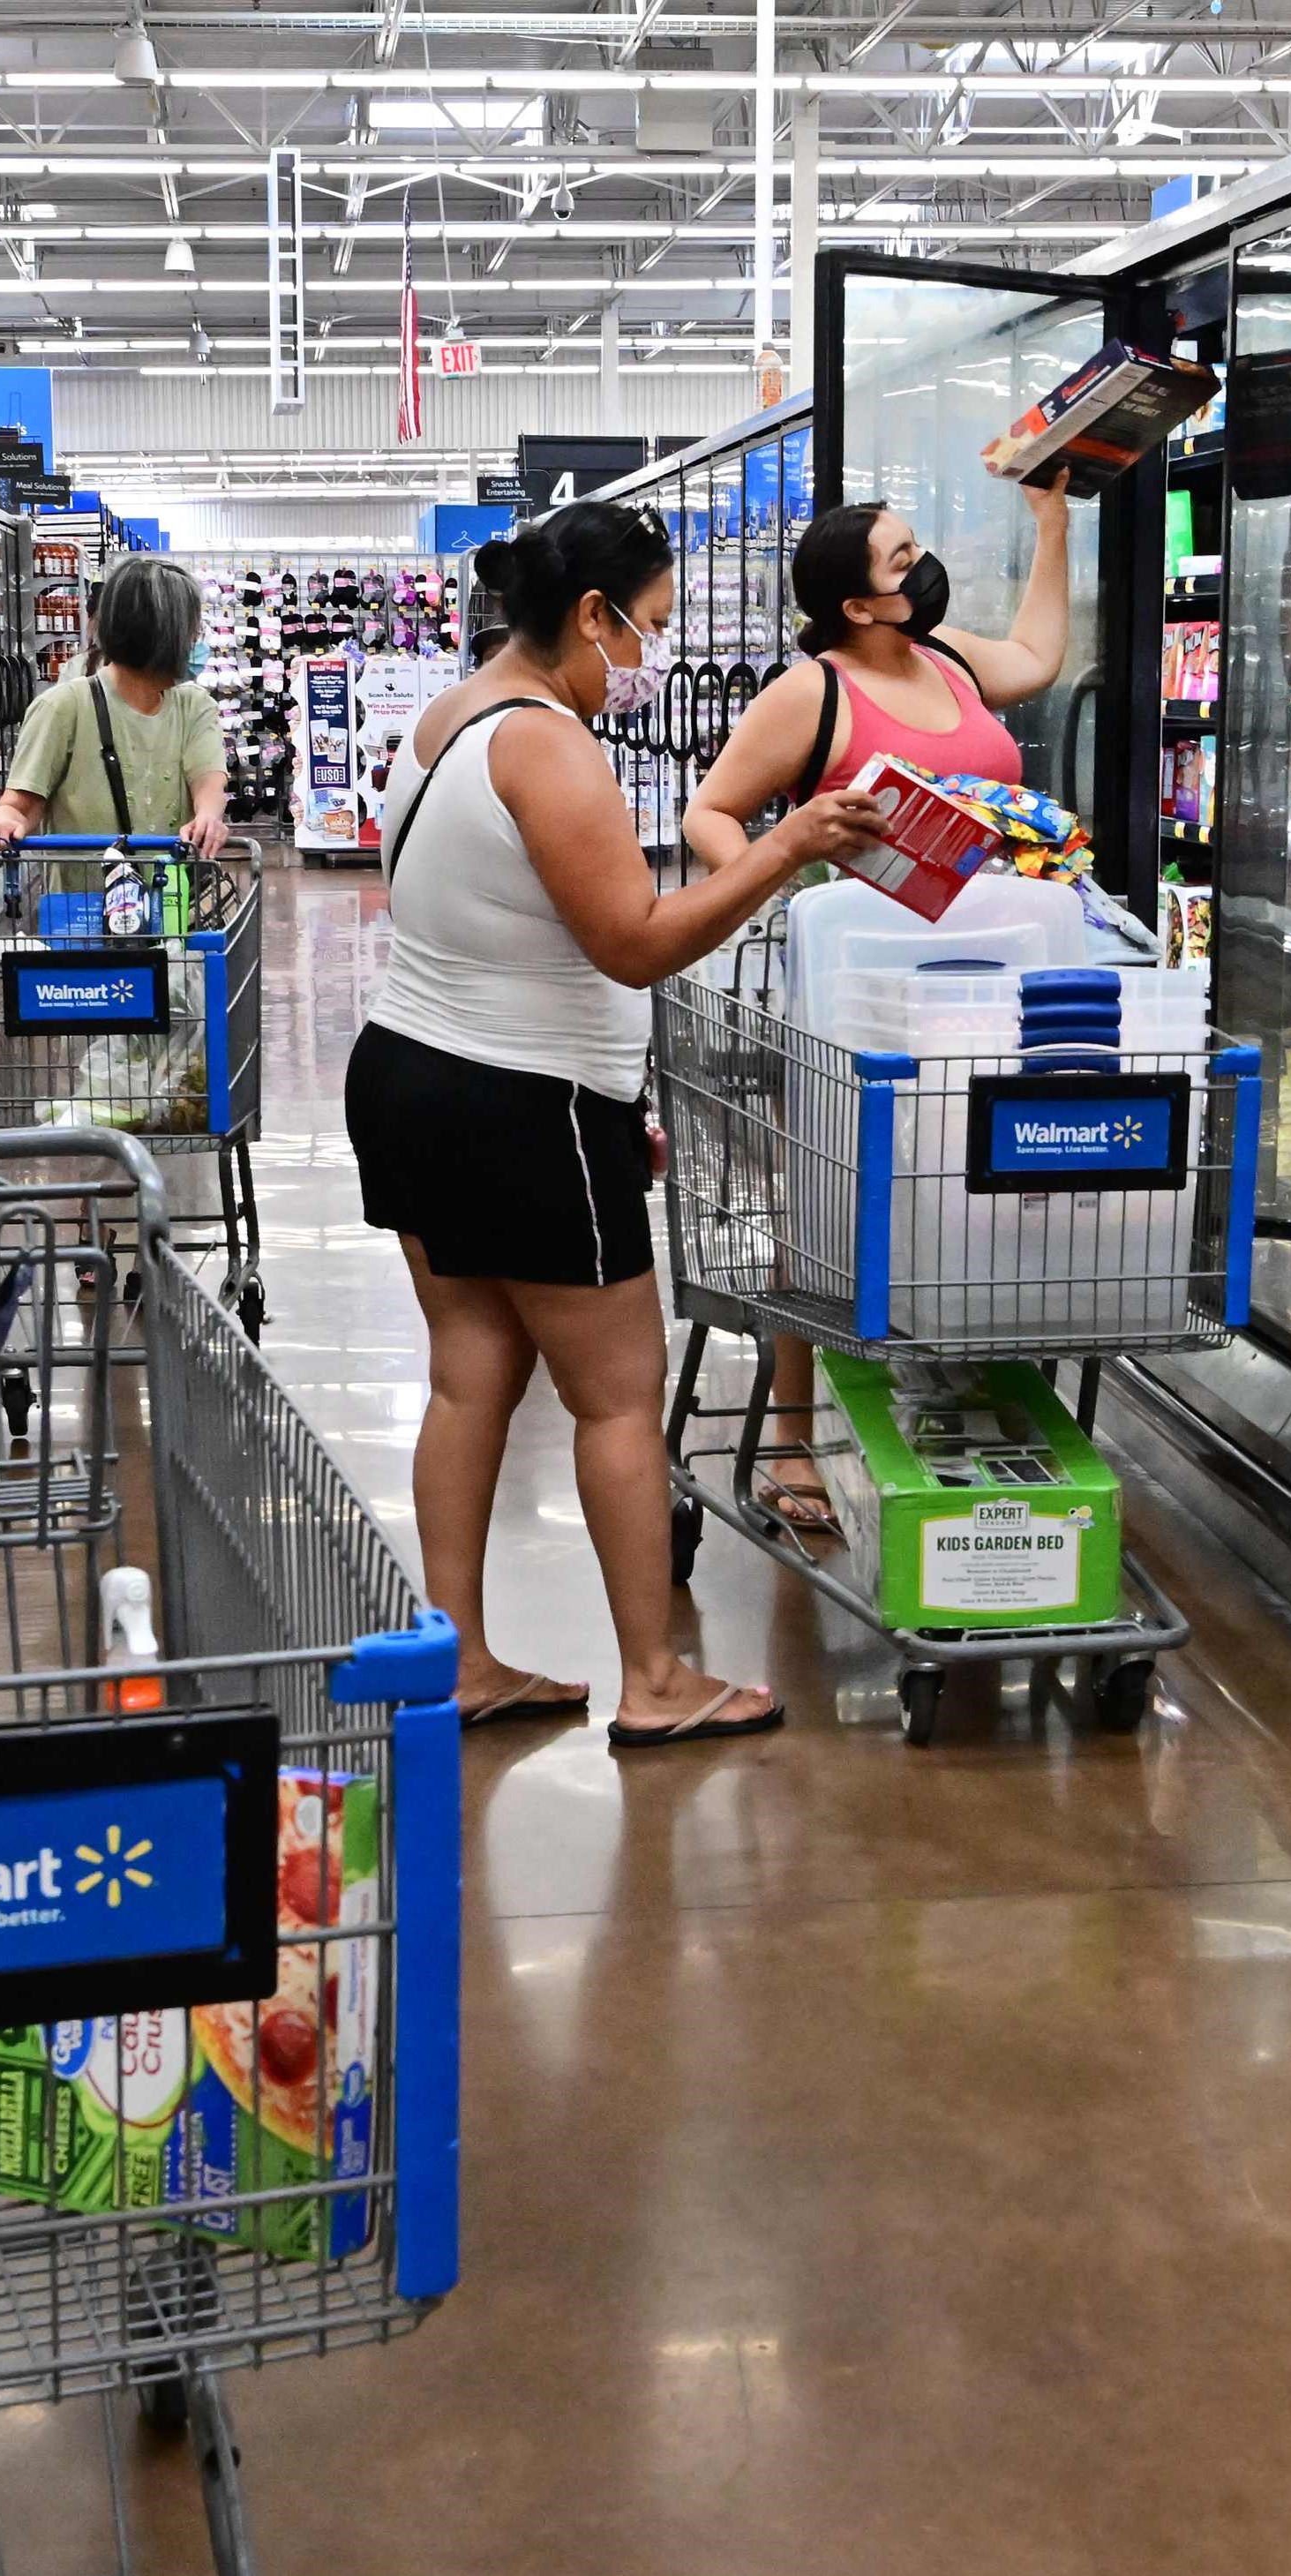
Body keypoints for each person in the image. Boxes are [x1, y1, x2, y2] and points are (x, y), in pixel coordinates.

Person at [346, 500, 887, 1746]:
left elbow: (500, 929)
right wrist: (786, 844)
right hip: (519, 1105)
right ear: (590, 616)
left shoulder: (447, 720)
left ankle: (462, 1658)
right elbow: (635, 944)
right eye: (647, 627)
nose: (649, 655)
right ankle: (655, 1679)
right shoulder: (547, 745)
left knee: (470, 1377)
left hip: (410, 1077)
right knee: (619, 1399)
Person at [679, 484, 1073, 1535]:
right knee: (826, 1203)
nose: (924, 569)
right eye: (903, 561)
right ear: (855, 605)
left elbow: (1036, 657)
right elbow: (711, 810)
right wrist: (797, 884)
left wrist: (1051, 524)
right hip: (860, 989)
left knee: (976, 1193)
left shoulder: (950, 662)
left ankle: (960, 1405)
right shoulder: (812, 693)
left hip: (994, 981)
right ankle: (794, 1444)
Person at [0, 552, 232, 857]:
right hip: (85, 901)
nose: (194, 642)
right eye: (192, 630)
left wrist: (208, 818)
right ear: (167, 636)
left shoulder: (195, 707)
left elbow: (208, 782)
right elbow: (19, 804)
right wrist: (3, 823)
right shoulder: (63, 708)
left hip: (175, 899)